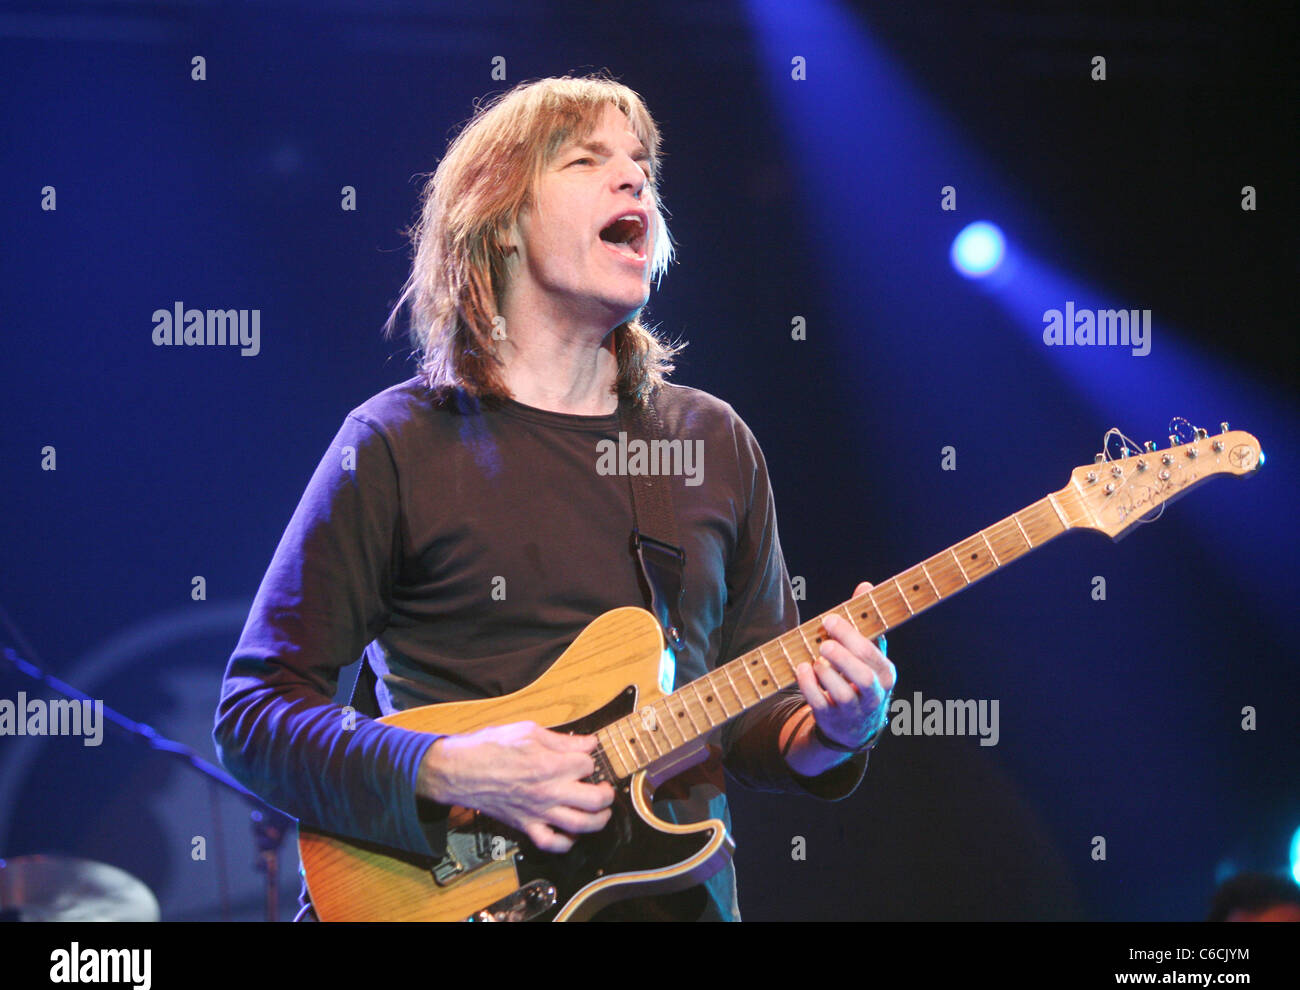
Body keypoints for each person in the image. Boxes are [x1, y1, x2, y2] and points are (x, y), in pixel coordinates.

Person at [212, 73, 896, 921]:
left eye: (642, 163)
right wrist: (446, 767)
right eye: (587, 159)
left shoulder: (710, 442)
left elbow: (753, 723)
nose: (634, 178)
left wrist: (834, 730)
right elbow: (255, 716)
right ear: (499, 222)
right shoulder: (398, 442)